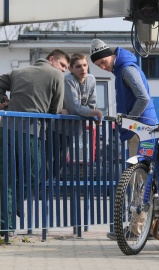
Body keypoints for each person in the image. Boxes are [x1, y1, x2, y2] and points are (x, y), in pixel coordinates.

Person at [89, 39, 159, 240]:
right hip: (143, 128)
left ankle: (137, 230)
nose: (104, 66)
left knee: (138, 181)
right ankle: (148, 227)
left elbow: (143, 98)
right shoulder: (123, 68)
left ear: (112, 55)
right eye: (99, 65)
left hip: (141, 130)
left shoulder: (126, 69)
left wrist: (129, 118)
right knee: (144, 180)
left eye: (103, 61)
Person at [0, 49, 70, 236]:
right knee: (34, 176)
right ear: (52, 59)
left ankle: (5, 226)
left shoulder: (18, 72)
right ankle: (15, 206)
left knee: (6, 178)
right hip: (31, 131)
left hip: (6, 129)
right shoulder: (56, 75)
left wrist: (2, 100)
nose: (64, 70)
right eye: (63, 65)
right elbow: (55, 109)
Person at [51, 53, 103, 176]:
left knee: (61, 161)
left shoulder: (91, 79)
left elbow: (91, 104)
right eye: (78, 66)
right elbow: (75, 108)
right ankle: (44, 189)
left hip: (74, 128)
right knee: (51, 159)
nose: (83, 69)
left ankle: (50, 187)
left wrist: (90, 111)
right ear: (71, 69)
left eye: (85, 65)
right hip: (58, 128)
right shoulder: (68, 79)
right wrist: (94, 113)